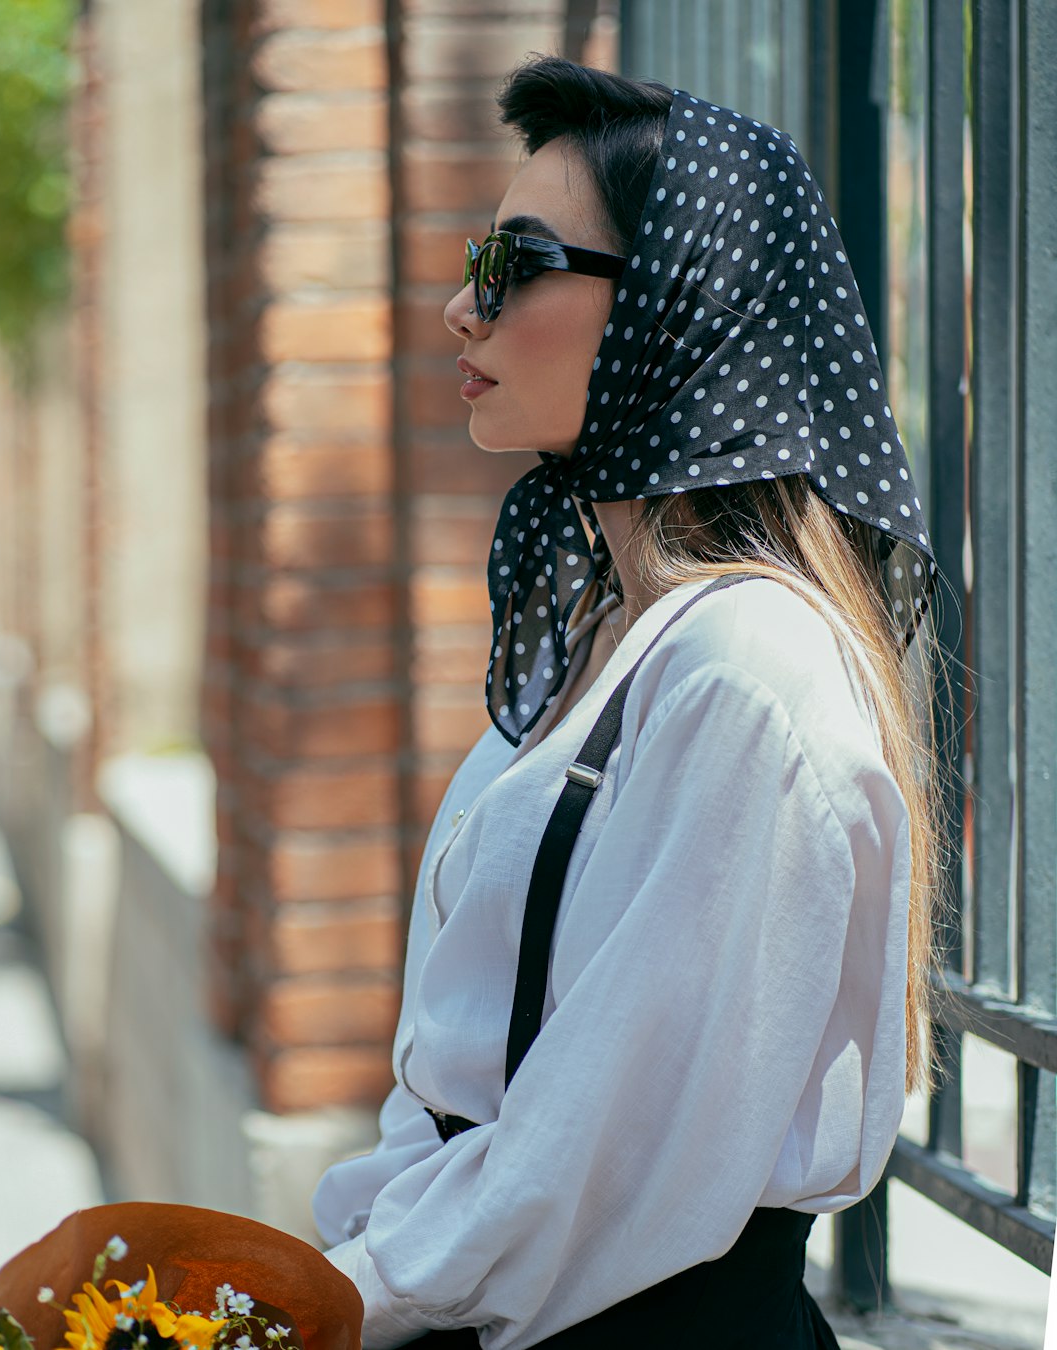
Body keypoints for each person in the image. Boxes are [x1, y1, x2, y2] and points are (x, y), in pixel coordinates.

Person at [313, 57, 942, 1349]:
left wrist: (337, 1300)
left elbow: (607, 1135)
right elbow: (458, 1069)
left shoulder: (749, 673)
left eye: (512, 261)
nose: (458, 308)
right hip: (494, 1300)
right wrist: (337, 1270)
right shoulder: (612, 639)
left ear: (674, 304)